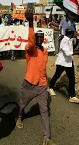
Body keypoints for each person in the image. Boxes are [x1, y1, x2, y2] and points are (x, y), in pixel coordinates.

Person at [15, 9, 52, 145]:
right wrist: (31, 23)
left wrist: (47, 83)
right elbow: (30, 40)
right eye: (38, 37)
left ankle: (46, 138)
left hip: (42, 85)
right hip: (29, 83)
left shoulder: (45, 51)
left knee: (44, 111)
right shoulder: (30, 49)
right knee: (23, 104)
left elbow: (43, 68)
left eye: (42, 37)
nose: (40, 39)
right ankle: (19, 116)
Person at [48, 26, 79, 103]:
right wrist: (78, 52)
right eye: (74, 32)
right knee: (57, 75)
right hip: (62, 62)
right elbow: (67, 53)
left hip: (69, 62)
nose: (75, 33)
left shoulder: (70, 40)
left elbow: (70, 51)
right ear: (71, 33)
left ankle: (72, 96)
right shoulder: (64, 40)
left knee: (72, 78)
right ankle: (50, 87)